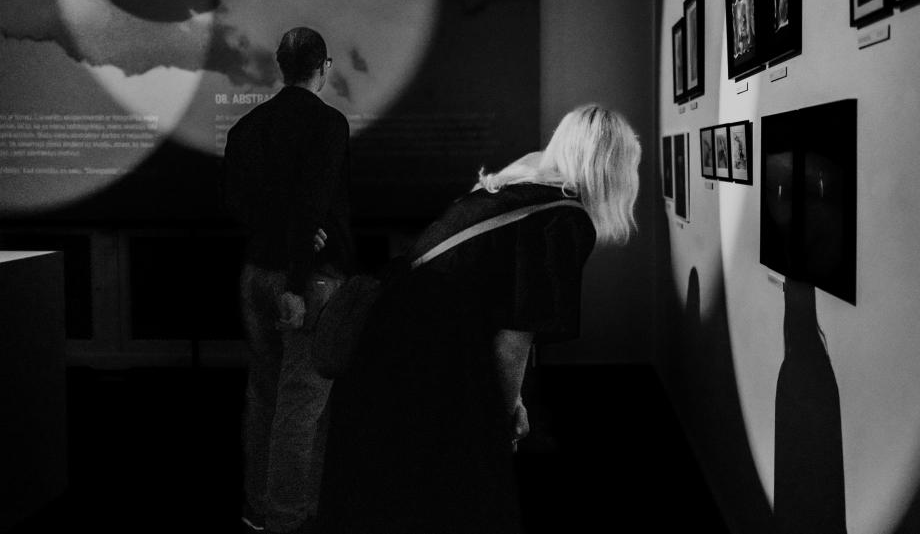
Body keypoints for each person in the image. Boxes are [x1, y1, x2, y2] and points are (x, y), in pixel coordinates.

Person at [315, 104, 641, 533]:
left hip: (388, 351)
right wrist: (503, 415)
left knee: (390, 491)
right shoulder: (564, 218)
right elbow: (515, 333)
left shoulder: (510, 190)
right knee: (458, 495)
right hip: (426, 366)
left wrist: (511, 402)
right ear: (611, 166)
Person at [221, 27, 353, 534]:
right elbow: (314, 200)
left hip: (255, 274)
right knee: (302, 405)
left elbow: (236, 206)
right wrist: (298, 281)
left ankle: (260, 507)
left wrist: (279, 233)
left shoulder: (247, 128)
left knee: (264, 397)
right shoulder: (328, 124)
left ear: (281, 66)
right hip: (307, 283)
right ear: (325, 66)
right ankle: (286, 517)